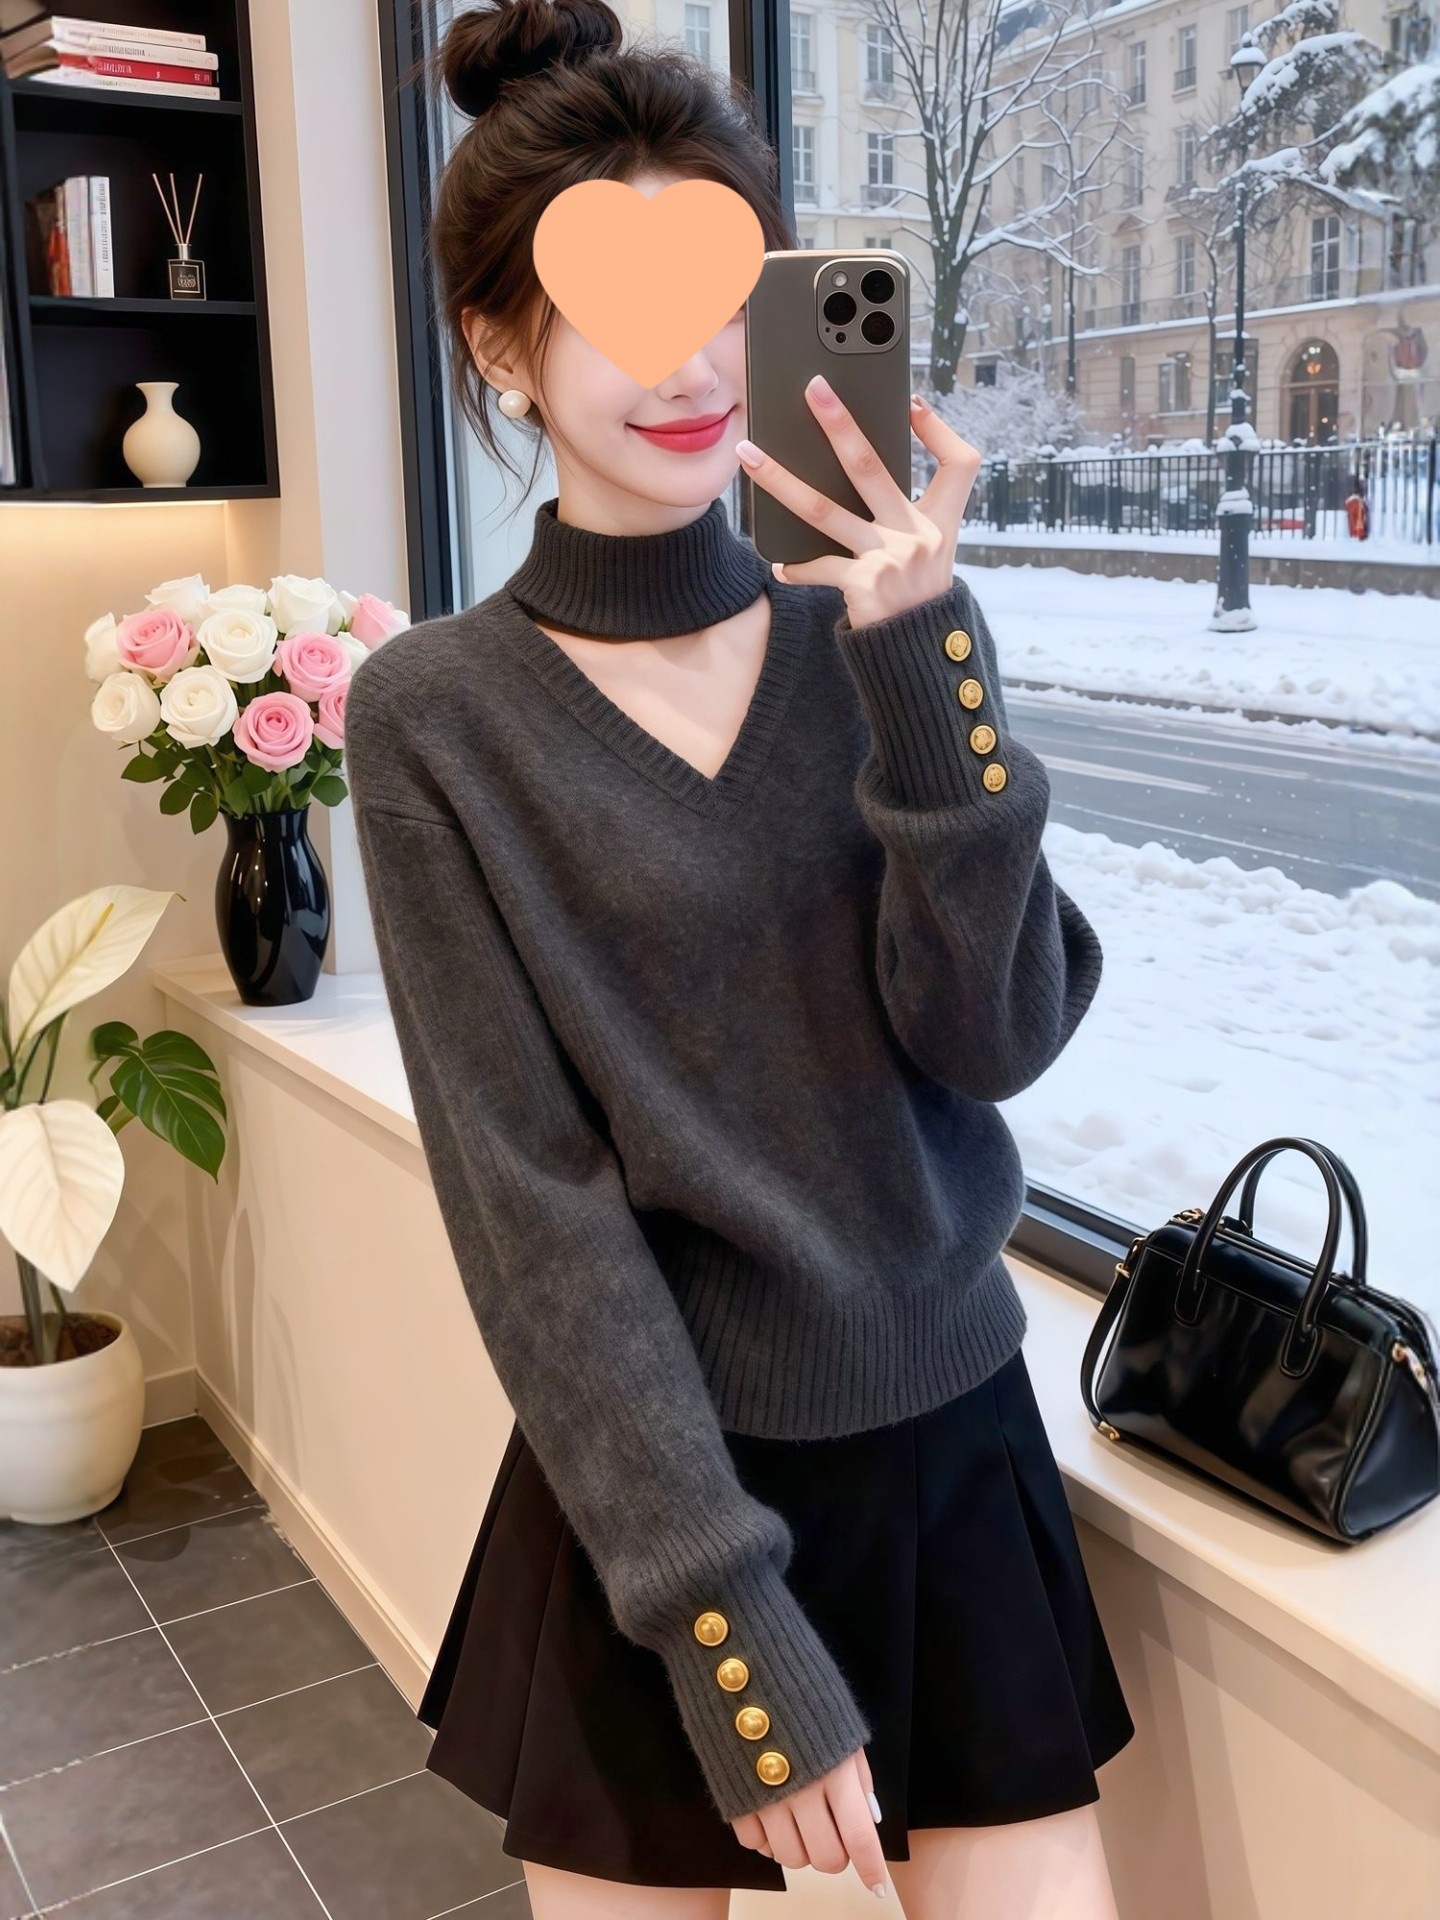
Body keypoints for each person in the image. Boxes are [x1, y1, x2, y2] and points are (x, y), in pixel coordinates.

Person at [343, 2, 1135, 1914]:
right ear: (499, 347)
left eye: (719, 296)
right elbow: (536, 1212)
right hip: (663, 1496)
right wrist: (724, 1621)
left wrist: (928, 668)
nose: (692, 367)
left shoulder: (877, 636)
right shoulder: (438, 717)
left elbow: (998, 1035)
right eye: (613, 313)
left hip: (949, 1444)